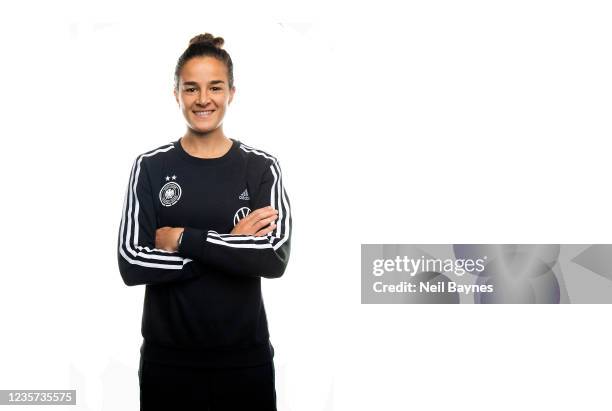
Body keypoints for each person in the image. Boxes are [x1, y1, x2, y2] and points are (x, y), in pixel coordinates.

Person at [116, 32, 292, 410]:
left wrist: (182, 238)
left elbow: (273, 257)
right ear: (176, 93)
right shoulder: (151, 167)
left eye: (214, 87)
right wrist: (230, 244)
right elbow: (132, 262)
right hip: (169, 364)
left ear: (231, 92)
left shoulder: (260, 168)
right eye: (191, 88)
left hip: (245, 362)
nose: (203, 99)